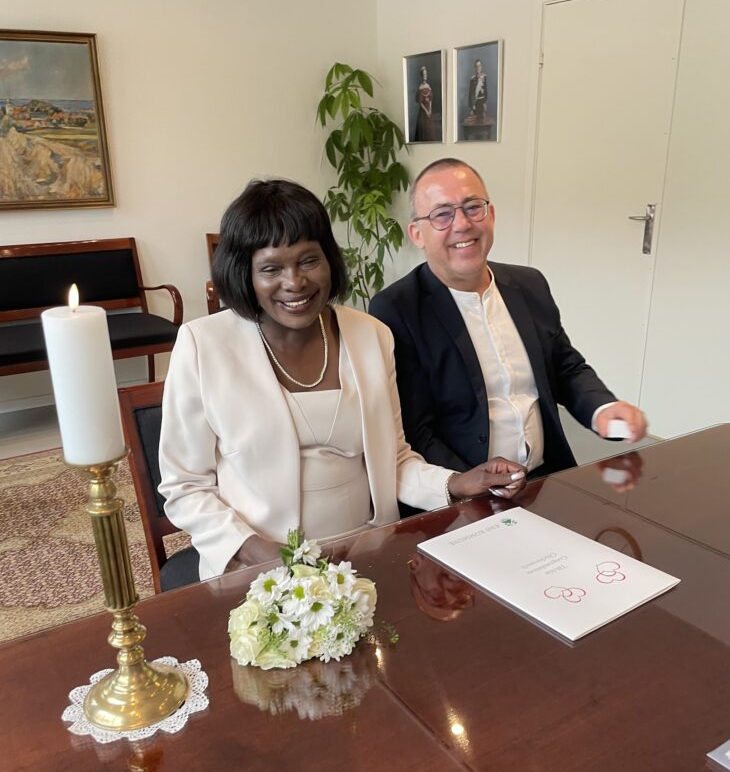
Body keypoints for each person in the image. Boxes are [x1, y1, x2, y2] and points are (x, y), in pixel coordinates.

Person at [158, 178, 528, 581]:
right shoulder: (203, 345)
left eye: (308, 260)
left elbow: (395, 460)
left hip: (369, 555)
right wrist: (256, 551)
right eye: (270, 268)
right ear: (244, 274)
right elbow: (184, 487)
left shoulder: (371, 335)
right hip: (256, 567)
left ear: (329, 260)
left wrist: (455, 482)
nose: (295, 282)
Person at [369, 159, 647, 477]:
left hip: (548, 476)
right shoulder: (396, 309)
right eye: (442, 214)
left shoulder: (529, 285)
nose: (462, 224)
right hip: (463, 491)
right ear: (418, 234)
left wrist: (603, 409)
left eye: (473, 207)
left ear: (491, 215)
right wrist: (474, 486)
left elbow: (565, 367)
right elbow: (415, 432)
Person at [414, 66, 437, 142]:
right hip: (423, 112)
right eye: (423, 75)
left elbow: (430, 100)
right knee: (423, 132)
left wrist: (430, 109)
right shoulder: (420, 87)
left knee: (430, 130)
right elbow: (420, 102)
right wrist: (426, 111)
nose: (425, 76)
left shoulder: (428, 86)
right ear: (421, 76)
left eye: (426, 74)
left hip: (429, 111)